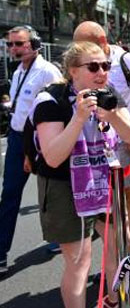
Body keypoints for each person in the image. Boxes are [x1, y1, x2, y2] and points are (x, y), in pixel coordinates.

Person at [31, 41, 130, 308]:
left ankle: (115, 302)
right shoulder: (50, 99)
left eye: (106, 65)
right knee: (80, 261)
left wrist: (112, 116)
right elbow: (53, 157)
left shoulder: (109, 93)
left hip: (103, 180)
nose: (102, 72)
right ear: (73, 71)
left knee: (117, 243)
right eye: (93, 66)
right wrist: (78, 117)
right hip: (62, 186)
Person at [72, 22, 130, 254]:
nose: (77, 49)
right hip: (95, 144)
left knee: (125, 197)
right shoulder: (81, 64)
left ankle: (128, 255)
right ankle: (116, 256)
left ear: (101, 41)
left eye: (82, 44)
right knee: (108, 202)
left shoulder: (127, 61)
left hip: (125, 141)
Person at [0, 26, 62, 275]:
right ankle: (1, 252)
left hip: (40, 140)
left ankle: (64, 236)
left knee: (52, 191)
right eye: (10, 45)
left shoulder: (48, 72)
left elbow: (59, 105)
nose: (13, 49)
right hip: (16, 139)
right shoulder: (17, 72)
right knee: (10, 195)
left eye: (19, 44)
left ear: (34, 43)